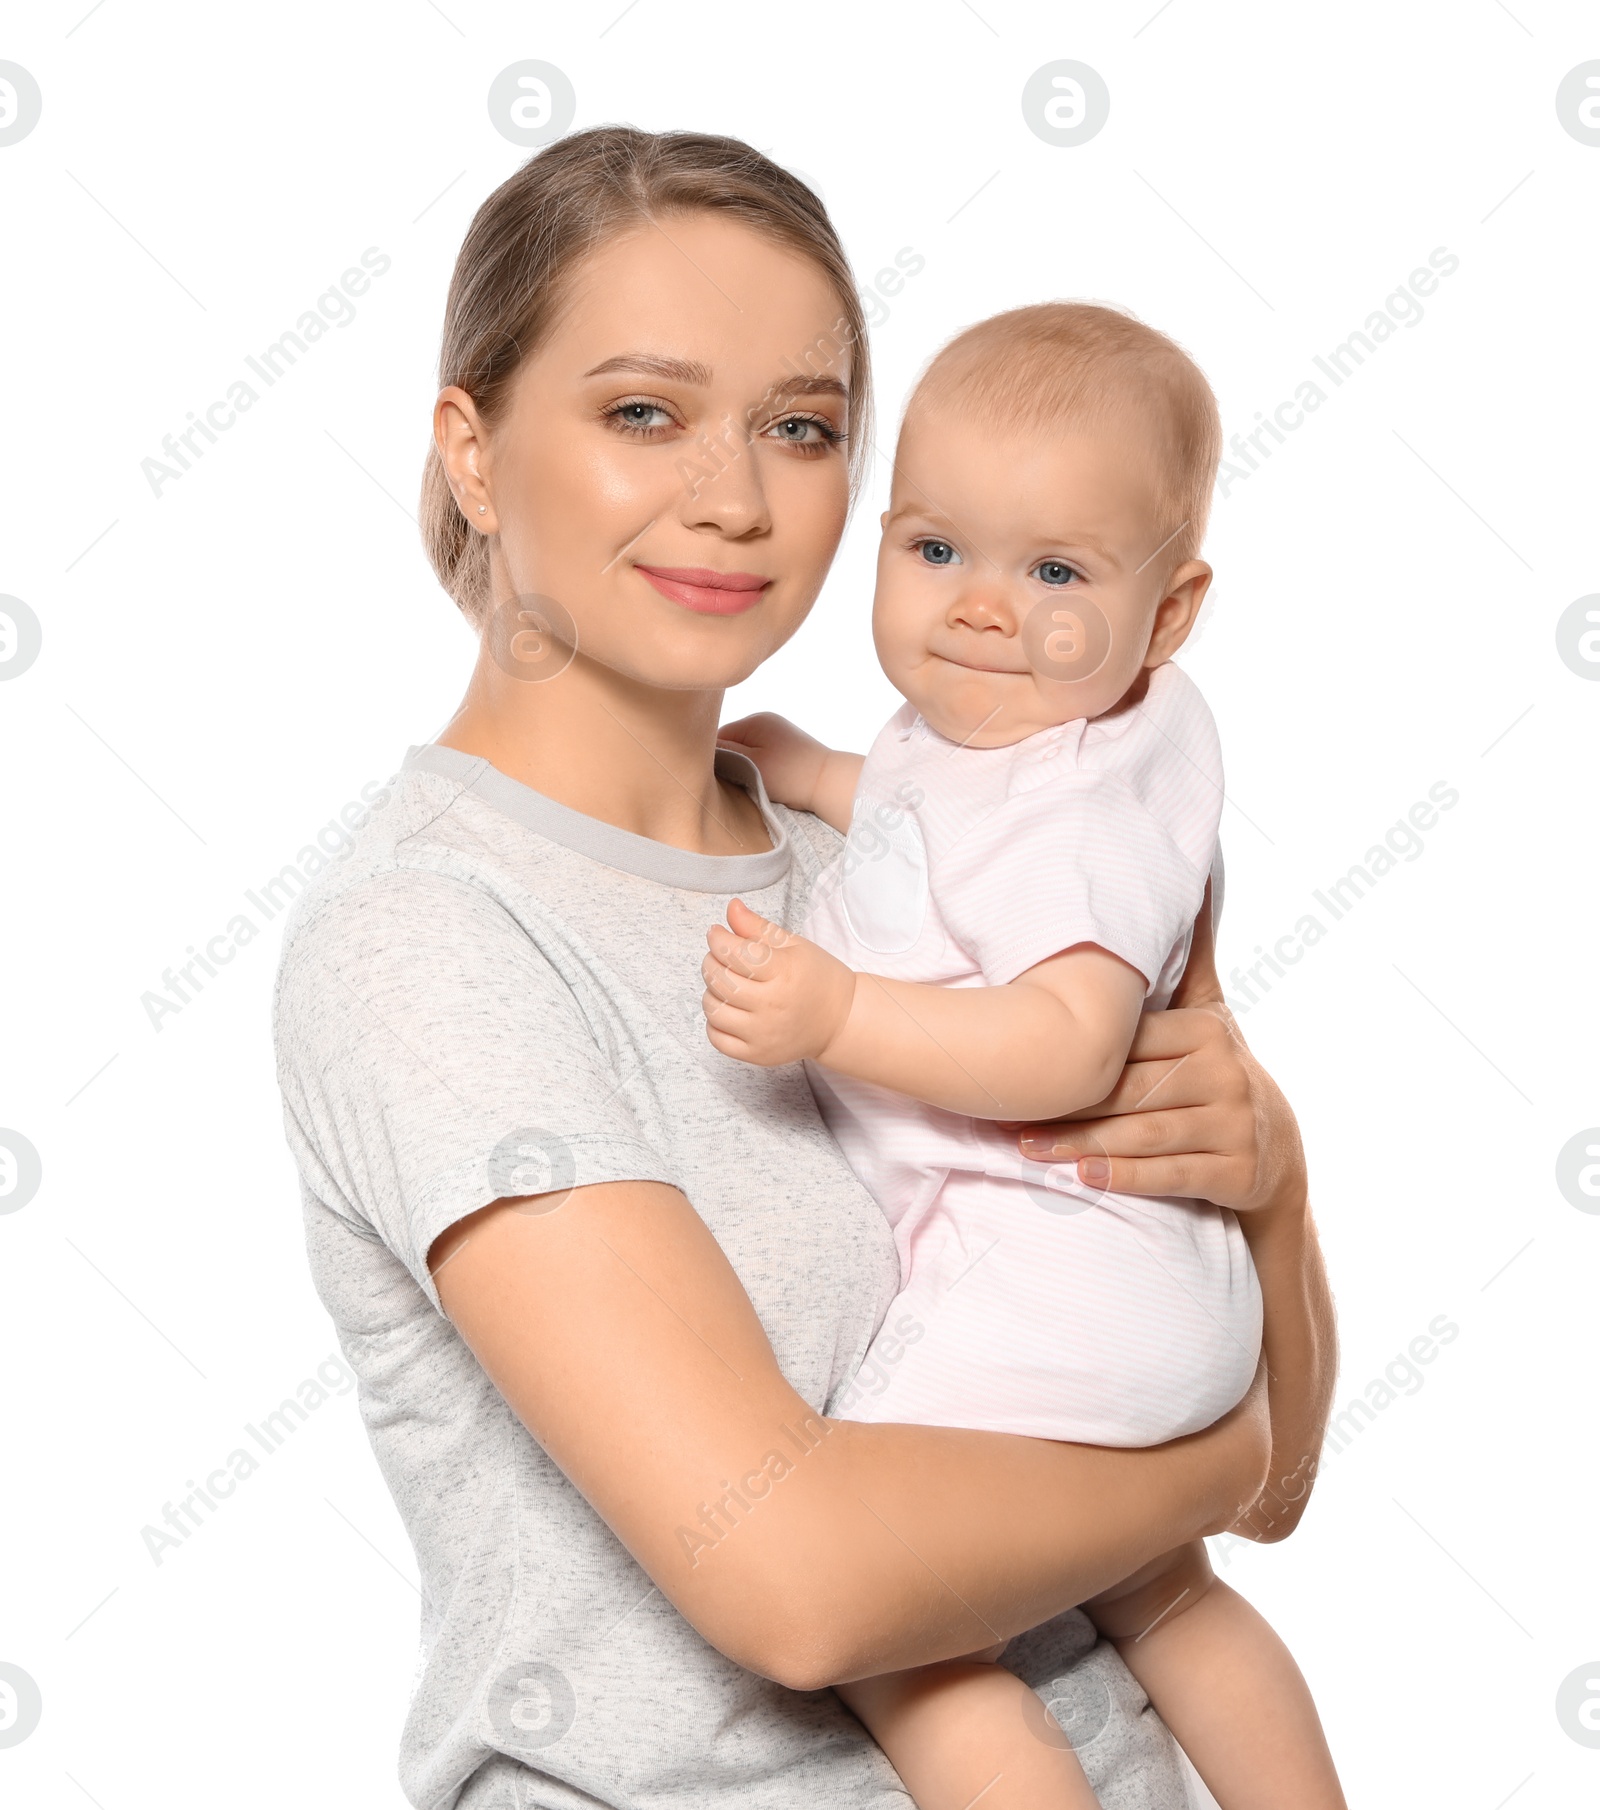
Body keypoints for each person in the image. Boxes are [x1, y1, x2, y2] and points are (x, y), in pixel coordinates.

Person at [271, 125, 1337, 1810]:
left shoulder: (912, 859)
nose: (738, 496)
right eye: (643, 412)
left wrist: (1272, 1184)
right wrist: (1219, 1448)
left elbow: (1273, 1491)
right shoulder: (440, 937)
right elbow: (800, 1584)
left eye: (804, 427)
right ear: (473, 454)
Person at [704, 302, 1346, 1807]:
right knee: (1172, 1596)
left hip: (1054, 1282)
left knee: (892, 1627)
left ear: (1170, 611)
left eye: (1054, 570)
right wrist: (814, 770)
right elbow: (947, 831)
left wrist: (836, 1016)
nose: (982, 608)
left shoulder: (1075, 825)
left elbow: (1064, 1039)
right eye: (935, 550)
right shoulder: (1078, 725)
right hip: (1163, 1291)